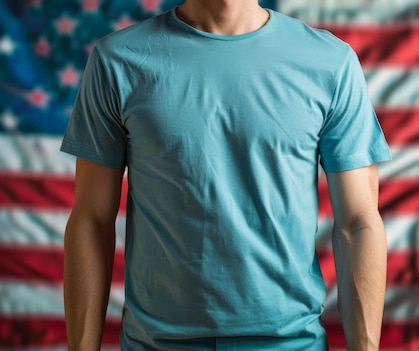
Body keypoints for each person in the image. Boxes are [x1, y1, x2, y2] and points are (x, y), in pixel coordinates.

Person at [61, 0, 391, 350]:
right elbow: (92, 220)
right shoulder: (117, 60)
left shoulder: (330, 62)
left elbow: (358, 222)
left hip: (292, 342)